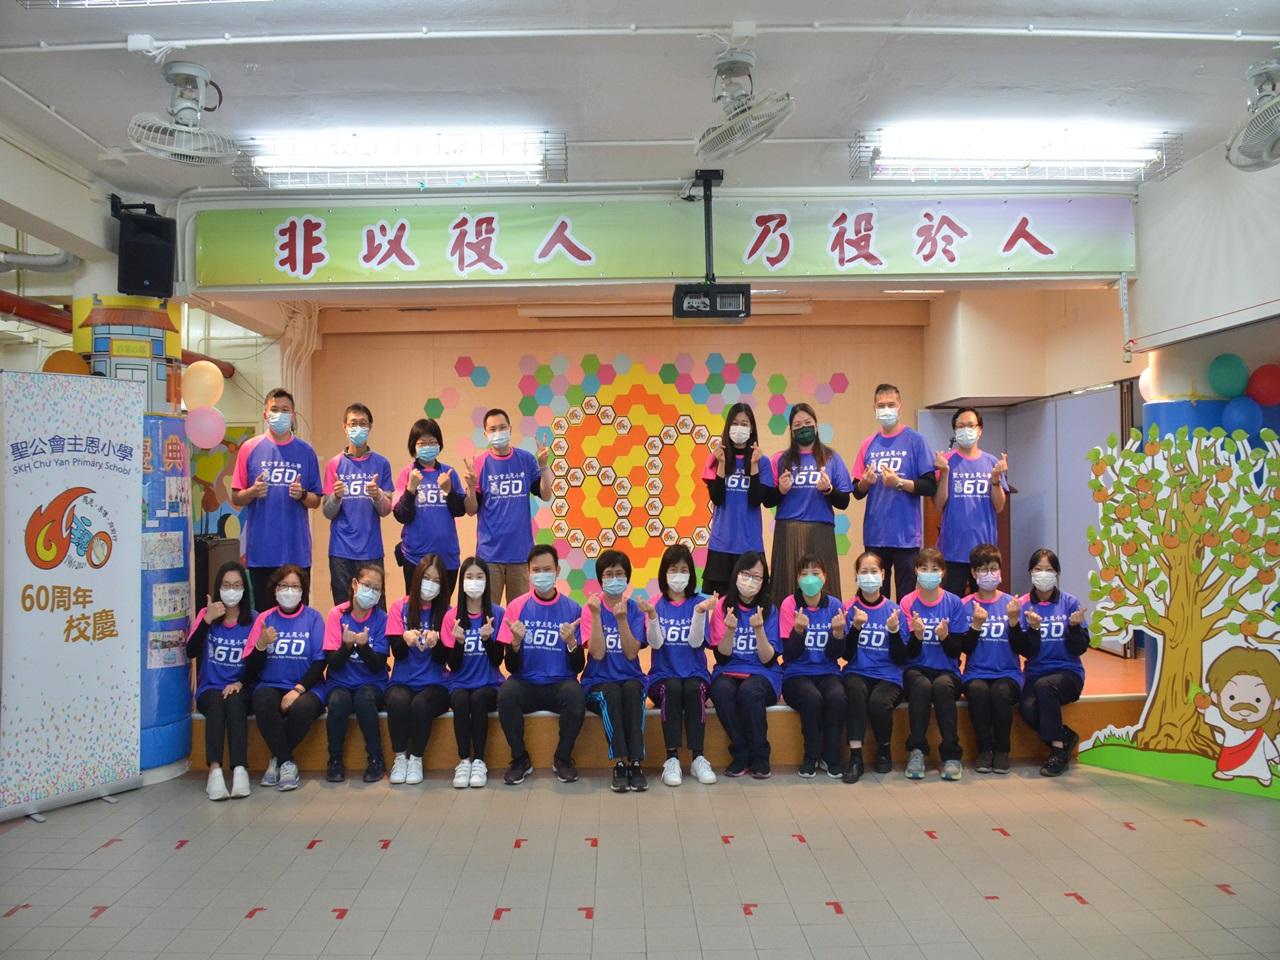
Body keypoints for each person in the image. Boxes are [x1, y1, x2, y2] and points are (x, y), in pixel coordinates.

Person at [496, 544, 586, 784]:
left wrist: (571, 642)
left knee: (576, 697)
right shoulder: (516, 607)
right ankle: (520, 759)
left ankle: (563, 758)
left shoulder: (572, 608)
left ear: (557, 571)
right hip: (525, 682)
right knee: (506, 694)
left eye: (547, 569)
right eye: (536, 570)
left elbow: (578, 667)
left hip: (560, 683)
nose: (542, 574)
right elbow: (511, 667)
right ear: (528, 572)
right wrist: (515, 643)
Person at [231, 388, 322, 610]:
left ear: (293, 416)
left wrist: (302, 495)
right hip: (261, 553)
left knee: (297, 616)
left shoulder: (306, 451)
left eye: (285, 410)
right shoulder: (249, 448)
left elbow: (316, 500)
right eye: (274, 410)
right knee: (264, 618)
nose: (279, 415)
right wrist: (252, 492)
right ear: (265, 414)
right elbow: (236, 497)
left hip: (297, 553)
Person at [241, 565, 326, 792]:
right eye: (284, 585)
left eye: (295, 586)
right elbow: (251, 666)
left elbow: (320, 662)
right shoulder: (265, 618)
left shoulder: (314, 618)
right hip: (270, 683)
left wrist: (298, 690)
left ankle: (276, 760)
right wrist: (261, 644)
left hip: (307, 687)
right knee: (262, 701)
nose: (289, 591)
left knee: (302, 708)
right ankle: (286, 761)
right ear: (275, 589)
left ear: (303, 590)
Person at [852, 384, 936, 600]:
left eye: (891, 405)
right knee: (874, 596)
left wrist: (899, 483)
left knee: (906, 598)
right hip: (875, 534)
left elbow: (929, 485)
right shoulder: (867, 444)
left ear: (900, 406)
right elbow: (857, 491)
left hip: (906, 537)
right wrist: (866, 483)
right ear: (874, 408)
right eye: (881, 405)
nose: (886, 410)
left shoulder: (916, 441)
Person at [646, 544, 717, 787]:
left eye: (684, 569)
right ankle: (672, 759)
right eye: (673, 569)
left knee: (694, 688)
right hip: (662, 678)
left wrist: (699, 612)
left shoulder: (699, 603)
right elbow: (655, 643)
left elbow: (696, 642)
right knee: (673, 687)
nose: (678, 575)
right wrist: (652, 617)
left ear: (691, 573)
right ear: (664, 573)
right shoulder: (655, 604)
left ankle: (698, 758)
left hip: (695, 674)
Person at [463, 409, 551, 604]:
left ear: (510, 429)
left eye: (502, 427)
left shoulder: (526, 459)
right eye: (492, 429)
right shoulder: (479, 463)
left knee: (517, 614)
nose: (498, 432)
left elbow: (546, 495)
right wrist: (470, 487)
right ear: (485, 434)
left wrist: (544, 466)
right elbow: (470, 510)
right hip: (489, 555)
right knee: (488, 613)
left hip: (520, 554)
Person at [1014, 549, 1089, 777]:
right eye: (1038, 569)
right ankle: (1065, 736)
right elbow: (1026, 651)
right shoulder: (1023, 604)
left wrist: (1074, 628)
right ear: (1030, 572)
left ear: (1057, 573)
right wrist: (1033, 630)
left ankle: (1057, 751)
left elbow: (1079, 649)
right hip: (1036, 672)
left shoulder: (1070, 603)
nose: (1043, 574)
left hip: (1068, 673)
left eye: (1049, 569)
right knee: (1027, 708)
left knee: (1045, 687)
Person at [580, 549, 650, 793]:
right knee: (611, 692)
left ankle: (636, 763)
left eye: (619, 574)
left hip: (630, 678)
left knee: (631, 690)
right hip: (597, 683)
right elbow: (598, 654)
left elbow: (631, 653)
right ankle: (620, 763)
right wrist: (597, 615)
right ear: (600, 579)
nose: (614, 579)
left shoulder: (634, 610)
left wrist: (621, 620)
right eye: (608, 574)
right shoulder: (591, 608)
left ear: (627, 578)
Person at [769, 403, 852, 606]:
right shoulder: (781, 459)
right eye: (798, 425)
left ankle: (829, 623)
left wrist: (828, 490)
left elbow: (844, 501)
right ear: (791, 430)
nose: (803, 428)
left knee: (823, 587)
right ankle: (784, 624)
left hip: (821, 530)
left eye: (807, 422)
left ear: (816, 425)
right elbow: (767, 500)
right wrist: (780, 490)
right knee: (786, 586)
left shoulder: (831, 458)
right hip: (788, 531)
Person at [708, 551, 781, 779]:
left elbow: (768, 659)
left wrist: (759, 630)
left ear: (764, 581)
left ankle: (760, 756)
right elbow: (722, 657)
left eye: (757, 577)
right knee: (721, 689)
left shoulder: (770, 609)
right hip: (729, 670)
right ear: (736, 575)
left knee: (749, 692)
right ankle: (740, 753)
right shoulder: (723, 606)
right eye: (746, 574)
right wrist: (730, 631)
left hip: (763, 673)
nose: (750, 581)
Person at [961, 544, 1032, 775]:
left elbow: (1024, 649)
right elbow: (963, 648)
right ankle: (984, 749)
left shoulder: (1013, 604)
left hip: (1008, 673)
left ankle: (1002, 750)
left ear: (1000, 571)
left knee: (1001, 693)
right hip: (976, 673)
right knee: (978, 691)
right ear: (974, 573)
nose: (989, 574)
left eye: (993, 568)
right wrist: (975, 625)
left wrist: (1014, 622)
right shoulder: (965, 605)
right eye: (983, 569)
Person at [900, 548, 970, 781]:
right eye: (924, 568)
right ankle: (916, 750)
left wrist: (945, 637)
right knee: (920, 686)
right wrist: (917, 637)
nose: (929, 573)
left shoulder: (954, 603)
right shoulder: (907, 602)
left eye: (935, 569)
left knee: (941, 687)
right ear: (916, 571)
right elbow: (907, 653)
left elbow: (956, 651)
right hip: (916, 668)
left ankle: (951, 755)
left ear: (943, 572)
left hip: (946, 670)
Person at [187, 561, 254, 801]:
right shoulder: (206, 615)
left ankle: (240, 769)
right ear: (218, 588)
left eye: (236, 585)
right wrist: (206, 621)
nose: (231, 590)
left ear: (244, 589)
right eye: (226, 585)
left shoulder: (254, 620)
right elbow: (191, 651)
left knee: (234, 702)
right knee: (216, 702)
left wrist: (240, 683)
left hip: (241, 687)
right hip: (210, 689)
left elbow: (258, 663)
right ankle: (214, 772)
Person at [385, 555, 452, 786]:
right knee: (397, 701)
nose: (430, 584)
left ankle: (415, 758)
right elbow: (397, 653)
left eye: (436, 580)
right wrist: (405, 639)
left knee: (421, 704)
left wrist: (438, 641)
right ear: (416, 578)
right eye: (426, 578)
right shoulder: (399, 607)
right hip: (402, 681)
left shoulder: (447, 613)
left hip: (436, 684)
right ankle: (399, 758)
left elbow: (445, 660)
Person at [440, 557, 506, 788]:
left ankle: (479, 760)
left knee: (478, 700)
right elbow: (453, 666)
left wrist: (487, 640)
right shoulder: (451, 617)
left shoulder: (498, 614)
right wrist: (458, 643)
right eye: (469, 577)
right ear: (462, 581)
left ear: (487, 581)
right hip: (459, 682)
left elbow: (498, 660)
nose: (474, 582)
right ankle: (464, 761)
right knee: (460, 700)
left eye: (479, 577)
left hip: (489, 683)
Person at [779, 555, 848, 779]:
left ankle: (831, 757)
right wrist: (798, 632)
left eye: (815, 573)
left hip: (828, 671)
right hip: (796, 674)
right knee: (812, 698)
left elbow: (837, 654)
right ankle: (811, 756)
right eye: (804, 574)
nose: (810, 579)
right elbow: (789, 654)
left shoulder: (835, 605)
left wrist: (838, 634)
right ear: (797, 579)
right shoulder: (789, 604)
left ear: (824, 577)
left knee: (837, 697)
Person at [843, 551, 908, 782]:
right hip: (857, 671)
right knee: (855, 692)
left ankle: (884, 749)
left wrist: (894, 632)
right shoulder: (849, 608)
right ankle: (855, 757)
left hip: (889, 676)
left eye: (874, 571)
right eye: (864, 571)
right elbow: (845, 655)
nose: (869, 576)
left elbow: (901, 658)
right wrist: (855, 628)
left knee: (879, 703)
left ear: (883, 575)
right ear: (856, 577)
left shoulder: (895, 610)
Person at [323, 563, 390, 783]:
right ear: (354, 584)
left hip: (372, 682)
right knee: (337, 701)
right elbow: (333, 663)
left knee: (364, 698)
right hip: (339, 682)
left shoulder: (382, 619)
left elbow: (378, 664)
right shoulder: (336, 615)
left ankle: (376, 759)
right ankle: (334, 760)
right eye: (367, 585)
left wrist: (363, 647)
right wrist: (346, 646)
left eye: (377, 589)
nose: (371, 592)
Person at [322, 403, 394, 607]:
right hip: (340, 551)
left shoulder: (382, 464)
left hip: (371, 551)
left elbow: (386, 510)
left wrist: (377, 495)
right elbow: (327, 512)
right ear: (344, 427)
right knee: (344, 607)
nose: (358, 428)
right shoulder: (334, 464)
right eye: (353, 423)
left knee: (375, 608)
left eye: (363, 423)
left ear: (370, 427)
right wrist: (336, 497)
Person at [702, 403, 777, 595]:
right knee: (720, 605)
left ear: (751, 428)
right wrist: (721, 464)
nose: (739, 428)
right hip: (722, 544)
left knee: (752, 602)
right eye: (735, 423)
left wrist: (753, 465)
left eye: (744, 424)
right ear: (728, 427)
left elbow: (755, 500)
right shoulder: (715, 459)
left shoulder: (762, 462)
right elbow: (717, 499)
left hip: (750, 545)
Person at [934, 408, 1009, 596]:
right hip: (952, 550)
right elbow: (938, 504)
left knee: (985, 603)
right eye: (960, 426)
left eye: (970, 425)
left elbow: (999, 506)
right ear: (954, 431)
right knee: (953, 604)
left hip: (984, 551)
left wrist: (996, 480)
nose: (966, 430)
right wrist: (944, 474)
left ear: (980, 430)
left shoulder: (992, 462)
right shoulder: (946, 461)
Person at [393, 418, 466, 597]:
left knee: (443, 609)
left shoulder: (448, 473)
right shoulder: (407, 473)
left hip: (447, 557)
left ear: (439, 444)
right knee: (415, 608)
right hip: (415, 557)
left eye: (432, 442)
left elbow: (460, 510)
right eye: (422, 443)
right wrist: (410, 489)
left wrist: (448, 491)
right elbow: (401, 515)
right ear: (414, 446)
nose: (428, 446)